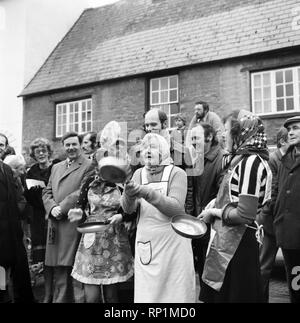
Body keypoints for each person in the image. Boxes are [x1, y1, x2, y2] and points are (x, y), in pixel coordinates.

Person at [198, 109, 272, 303]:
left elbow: (245, 214)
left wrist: (214, 212)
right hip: (229, 240)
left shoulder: (251, 163)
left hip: (240, 245)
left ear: (241, 133)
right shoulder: (240, 158)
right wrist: (215, 202)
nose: (223, 135)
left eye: (227, 130)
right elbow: (234, 196)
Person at [121, 133, 196, 303]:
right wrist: (129, 194)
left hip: (174, 244)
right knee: (148, 296)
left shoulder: (177, 173)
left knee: (176, 295)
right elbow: (129, 210)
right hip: (147, 243)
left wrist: (145, 192)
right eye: (145, 147)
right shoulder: (138, 174)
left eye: (153, 147)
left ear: (163, 150)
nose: (148, 150)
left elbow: (176, 208)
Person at [68, 121, 134, 303]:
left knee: (112, 294)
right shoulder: (89, 180)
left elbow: (131, 209)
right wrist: (78, 214)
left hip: (114, 239)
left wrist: (123, 216)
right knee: (92, 296)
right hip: (92, 239)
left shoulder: (124, 182)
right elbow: (81, 206)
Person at [42, 132, 92, 303]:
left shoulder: (89, 165)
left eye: (74, 144)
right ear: (63, 146)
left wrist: (61, 208)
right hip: (55, 224)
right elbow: (47, 191)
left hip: (72, 223)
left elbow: (82, 191)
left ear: (80, 146)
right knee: (59, 270)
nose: (70, 148)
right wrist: (52, 207)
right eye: (67, 145)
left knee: (74, 270)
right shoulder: (56, 167)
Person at [185, 123, 224, 298]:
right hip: (197, 226)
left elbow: (222, 194)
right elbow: (190, 193)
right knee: (202, 273)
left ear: (209, 137)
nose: (192, 141)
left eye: (196, 137)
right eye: (191, 137)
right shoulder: (194, 159)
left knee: (214, 278)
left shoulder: (221, 159)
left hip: (214, 226)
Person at [24, 138, 60, 302]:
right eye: (37, 152)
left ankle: (61, 292)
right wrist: (33, 191)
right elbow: (28, 196)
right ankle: (47, 293)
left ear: (49, 151)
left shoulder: (57, 166)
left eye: (43, 150)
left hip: (55, 214)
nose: (41, 154)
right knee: (45, 258)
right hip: (39, 217)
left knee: (58, 256)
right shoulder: (31, 171)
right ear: (33, 154)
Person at [257, 127, 289, 302]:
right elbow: (272, 194)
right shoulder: (273, 159)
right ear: (283, 141)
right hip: (271, 222)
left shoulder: (289, 159)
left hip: (283, 221)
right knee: (264, 267)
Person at [272, 116, 300, 303]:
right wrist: (276, 211)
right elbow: (276, 190)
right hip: (288, 234)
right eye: (289, 129)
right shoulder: (285, 159)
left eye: (296, 128)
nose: (290, 132)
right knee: (295, 288)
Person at [0, 158, 34, 303]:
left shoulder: (7, 169)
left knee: (6, 269)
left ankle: (5, 296)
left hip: (10, 231)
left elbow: (17, 198)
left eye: (2, 144)